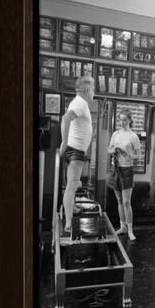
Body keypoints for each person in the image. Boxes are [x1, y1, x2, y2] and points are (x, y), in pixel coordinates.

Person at [60, 75, 95, 234]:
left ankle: (72, 207)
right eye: (93, 88)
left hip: (75, 150)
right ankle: (68, 224)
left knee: (73, 185)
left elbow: (65, 119)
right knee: (72, 185)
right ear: (87, 90)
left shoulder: (78, 103)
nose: (93, 92)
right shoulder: (80, 103)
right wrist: (64, 141)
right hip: (75, 151)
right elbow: (66, 118)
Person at [107, 109, 140, 241]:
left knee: (126, 202)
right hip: (116, 169)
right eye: (120, 119)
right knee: (119, 201)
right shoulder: (115, 134)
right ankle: (123, 227)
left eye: (124, 120)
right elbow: (108, 149)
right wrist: (113, 150)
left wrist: (129, 153)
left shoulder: (133, 136)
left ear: (130, 120)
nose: (122, 122)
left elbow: (138, 155)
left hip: (127, 170)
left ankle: (130, 230)